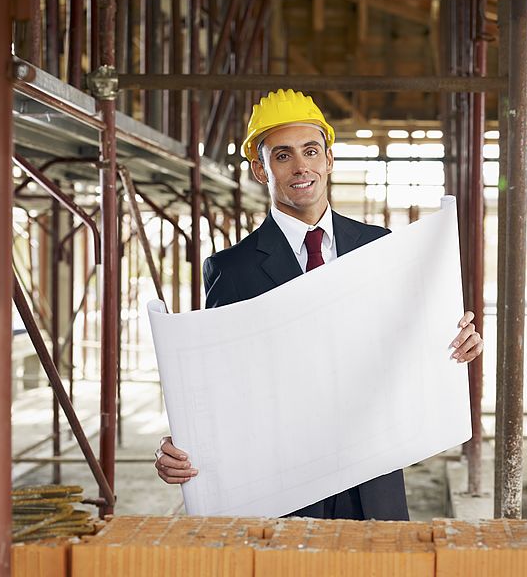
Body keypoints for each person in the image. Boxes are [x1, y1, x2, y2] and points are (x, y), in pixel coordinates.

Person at [154, 89, 484, 520]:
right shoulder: (230, 270)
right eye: (283, 155)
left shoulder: (378, 247)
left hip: (374, 475)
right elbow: (217, 382)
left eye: (311, 151)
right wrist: (177, 444)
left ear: (328, 159)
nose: (301, 166)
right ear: (261, 169)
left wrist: (455, 345)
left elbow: (407, 345)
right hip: (283, 484)